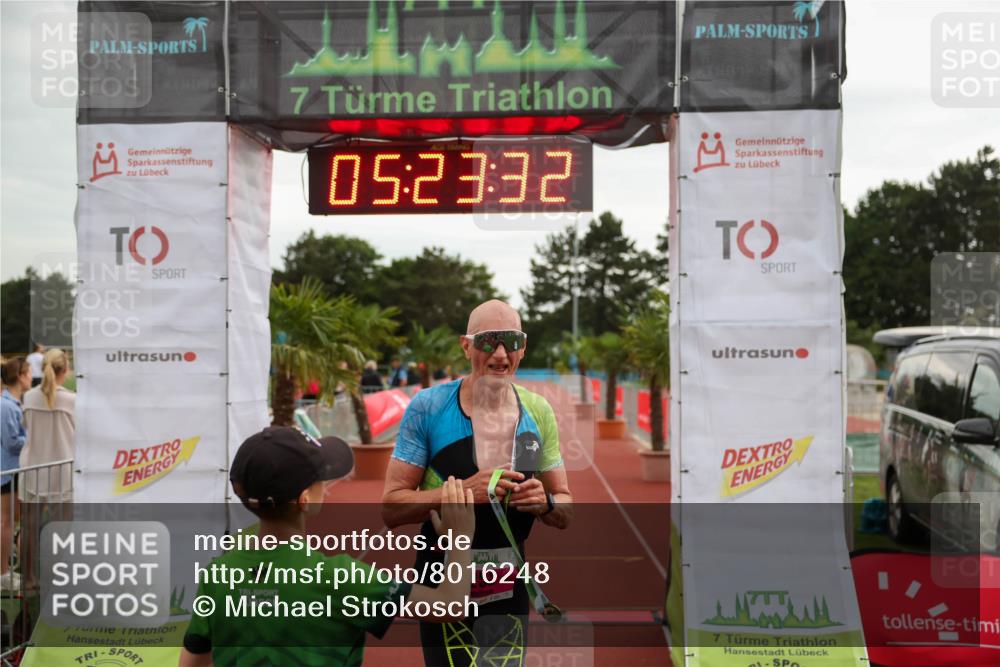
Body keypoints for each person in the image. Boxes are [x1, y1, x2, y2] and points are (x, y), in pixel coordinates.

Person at [179, 426, 476, 667]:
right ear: (305, 499)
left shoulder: (219, 574)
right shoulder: (340, 577)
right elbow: (450, 605)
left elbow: (193, 660)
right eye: (322, 478)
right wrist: (459, 538)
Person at [382, 299, 573, 667]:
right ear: (466, 346)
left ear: (523, 347)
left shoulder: (539, 412)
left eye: (511, 341)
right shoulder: (429, 407)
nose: (500, 354)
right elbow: (391, 507)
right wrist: (462, 491)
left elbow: (566, 506)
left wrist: (546, 503)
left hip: (509, 583)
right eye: (488, 341)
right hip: (443, 578)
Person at [21, 348, 75, 502]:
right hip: (63, 474)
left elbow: (24, 425)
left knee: (31, 524)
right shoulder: (72, 400)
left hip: (33, 470)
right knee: (62, 525)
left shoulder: (29, 397)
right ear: (65, 370)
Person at [1, 357, 31, 589]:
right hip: (7, 471)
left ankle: (7, 570)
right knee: (7, 522)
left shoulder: (13, 403)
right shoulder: (6, 405)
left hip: (14, 470)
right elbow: (11, 442)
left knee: (13, 521)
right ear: (20, 376)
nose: (32, 377)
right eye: (29, 372)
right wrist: (33, 439)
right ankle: (3, 574)